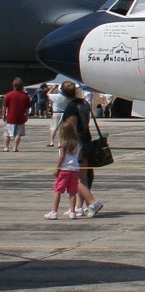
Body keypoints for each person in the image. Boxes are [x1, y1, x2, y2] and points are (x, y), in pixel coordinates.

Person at [58, 82, 103, 214]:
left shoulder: (72, 108)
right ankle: (78, 206)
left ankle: (92, 203)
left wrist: (70, 148)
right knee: (84, 177)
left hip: (78, 145)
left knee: (77, 177)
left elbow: (72, 128)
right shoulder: (84, 103)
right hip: (87, 140)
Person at [47, 117, 96, 219]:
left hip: (64, 170)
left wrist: (57, 168)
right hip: (75, 170)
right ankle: (73, 211)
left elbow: (62, 156)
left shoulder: (63, 144)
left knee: (58, 191)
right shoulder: (78, 143)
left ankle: (54, 211)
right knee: (72, 192)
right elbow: (80, 156)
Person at [5, 77, 32, 151]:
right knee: (18, 134)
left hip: (10, 117)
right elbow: (27, 108)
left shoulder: (9, 94)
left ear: (13, 85)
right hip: (20, 117)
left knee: (7, 133)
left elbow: (5, 106)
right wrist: (26, 116)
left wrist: (3, 115)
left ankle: (6, 147)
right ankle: (15, 148)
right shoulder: (25, 96)